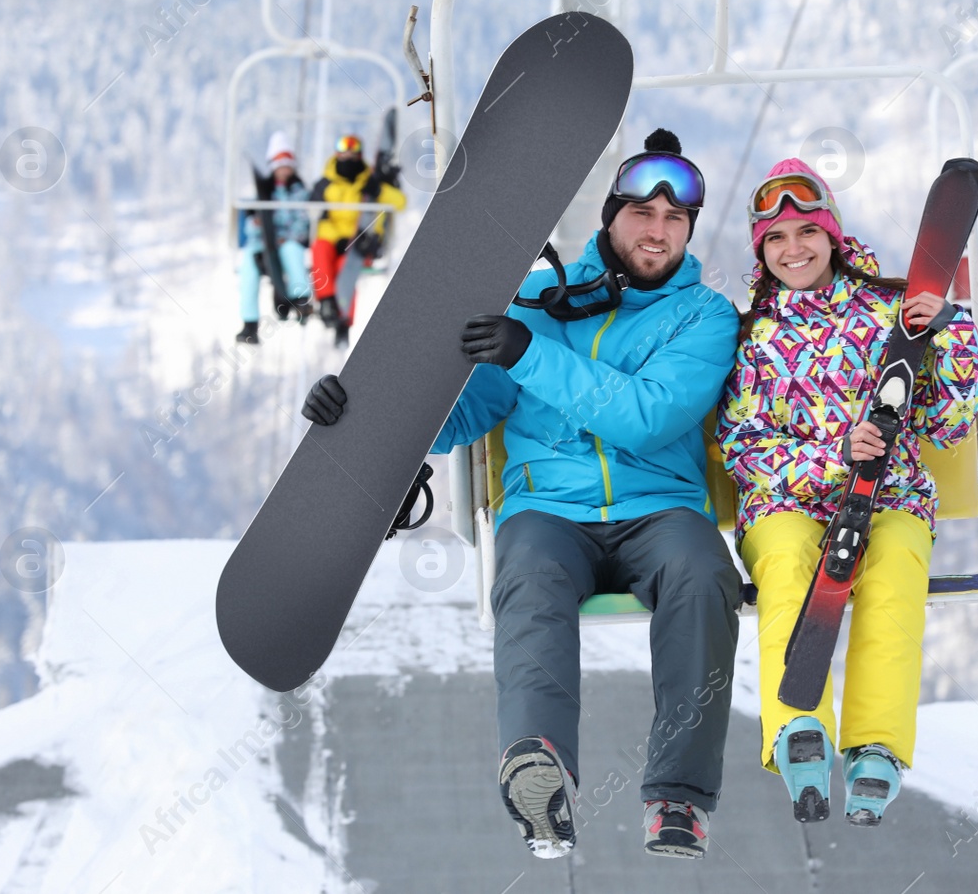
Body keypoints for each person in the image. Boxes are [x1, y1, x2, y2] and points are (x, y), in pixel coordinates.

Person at [301, 129, 742, 861]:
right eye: (642, 214)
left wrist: (531, 353)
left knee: (703, 573)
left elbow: (647, 417)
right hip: (550, 510)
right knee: (529, 575)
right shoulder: (538, 300)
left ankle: (678, 796)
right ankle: (537, 763)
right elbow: (466, 411)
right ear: (609, 217)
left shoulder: (703, 315)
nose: (658, 232)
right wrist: (360, 407)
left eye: (674, 220)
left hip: (660, 506)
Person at [717, 158, 978, 827]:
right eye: (775, 240)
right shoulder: (752, 337)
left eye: (806, 232)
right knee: (786, 564)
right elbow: (744, 447)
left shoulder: (890, 310)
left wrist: (948, 333)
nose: (793, 249)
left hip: (889, 494)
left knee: (893, 572)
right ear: (762, 251)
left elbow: (949, 422)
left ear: (832, 235)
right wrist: (833, 455)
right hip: (788, 502)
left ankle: (877, 746)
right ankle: (798, 729)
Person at [310, 134, 407, 347]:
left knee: (346, 266)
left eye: (353, 152)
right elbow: (318, 216)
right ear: (337, 153)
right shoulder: (325, 184)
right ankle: (327, 302)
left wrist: (380, 189)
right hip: (333, 240)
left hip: (361, 244)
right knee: (320, 249)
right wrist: (338, 238)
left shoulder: (371, 181)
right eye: (344, 151)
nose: (348, 156)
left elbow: (400, 203)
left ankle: (343, 320)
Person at [236, 132, 312, 345]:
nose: (283, 169)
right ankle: (249, 323)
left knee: (291, 252)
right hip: (264, 243)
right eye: (279, 164)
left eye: (287, 164)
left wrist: (284, 237)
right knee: (249, 267)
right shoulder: (262, 192)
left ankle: (300, 299)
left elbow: (302, 221)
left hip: (288, 240)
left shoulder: (299, 191)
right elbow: (253, 223)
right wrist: (258, 229)